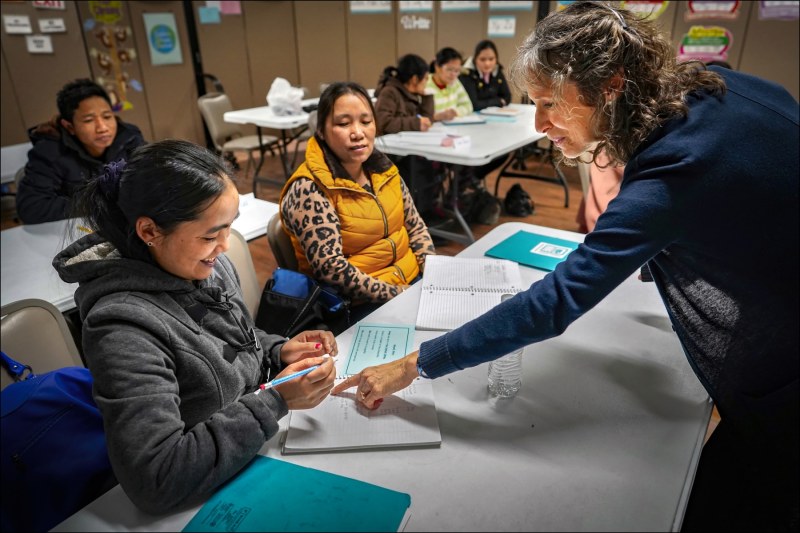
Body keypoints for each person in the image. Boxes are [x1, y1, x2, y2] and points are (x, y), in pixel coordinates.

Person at [333, 2, 799, 531]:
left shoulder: (673, 175)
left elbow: (554, 302)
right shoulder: (713, 85)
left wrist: (413, 364)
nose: (539, 123)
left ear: (611, 86)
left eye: (550, 103)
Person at [53, 139, 338, 514]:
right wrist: (277, 399)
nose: (224, 246)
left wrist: (276, 350)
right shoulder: (121, 326)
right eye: (209, 235)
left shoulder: (204, 264)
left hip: (252, 457)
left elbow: (228, 343)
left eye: (228, 228)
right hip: (204, 498)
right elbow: (156, 478)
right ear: (149, 231)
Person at [279, 82, 436, 322]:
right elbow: (331, 269)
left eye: (366, 121)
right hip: (361, 304)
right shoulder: (309, 189)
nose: (358, 132)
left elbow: (415, 226)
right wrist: (397, 293)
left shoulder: (384, 171)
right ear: (321, 130)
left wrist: (433, 273)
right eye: (343, 123)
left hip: (411, 283)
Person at [16, 78, 145, 224]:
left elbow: (153, 177)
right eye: (89, 120)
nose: (102, 127)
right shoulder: (50, 152)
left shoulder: (130, 138)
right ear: (70, 127)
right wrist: (100, 204)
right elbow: (32, 207)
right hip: (75, 232)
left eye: (107, 116)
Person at [374, 53, 435, 134]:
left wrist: (427, 98)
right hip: (391, 144)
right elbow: (383, 123)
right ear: (415, 79)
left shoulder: (413, 94)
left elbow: (426, 122)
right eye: (425, 79)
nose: (426, 83)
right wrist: (415, 123)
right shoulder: (389, 92)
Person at [459, 40, 513, 111]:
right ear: (475, 59)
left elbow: (507, 97)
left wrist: (485, 103)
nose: (487, 63)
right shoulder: (467, 73)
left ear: (496, 59)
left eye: (491, 59)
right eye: (482, 59)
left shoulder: (497, 70)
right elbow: (474, 104)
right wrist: (498, 101)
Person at [426, 47, 474, 121]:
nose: (453, 74)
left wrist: (455, 112)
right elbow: (418, 114)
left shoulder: (455, 82)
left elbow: (468, 106)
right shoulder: (425, 83)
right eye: (449, 69)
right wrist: (436, 117)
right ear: (437, 67)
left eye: (457, 70)